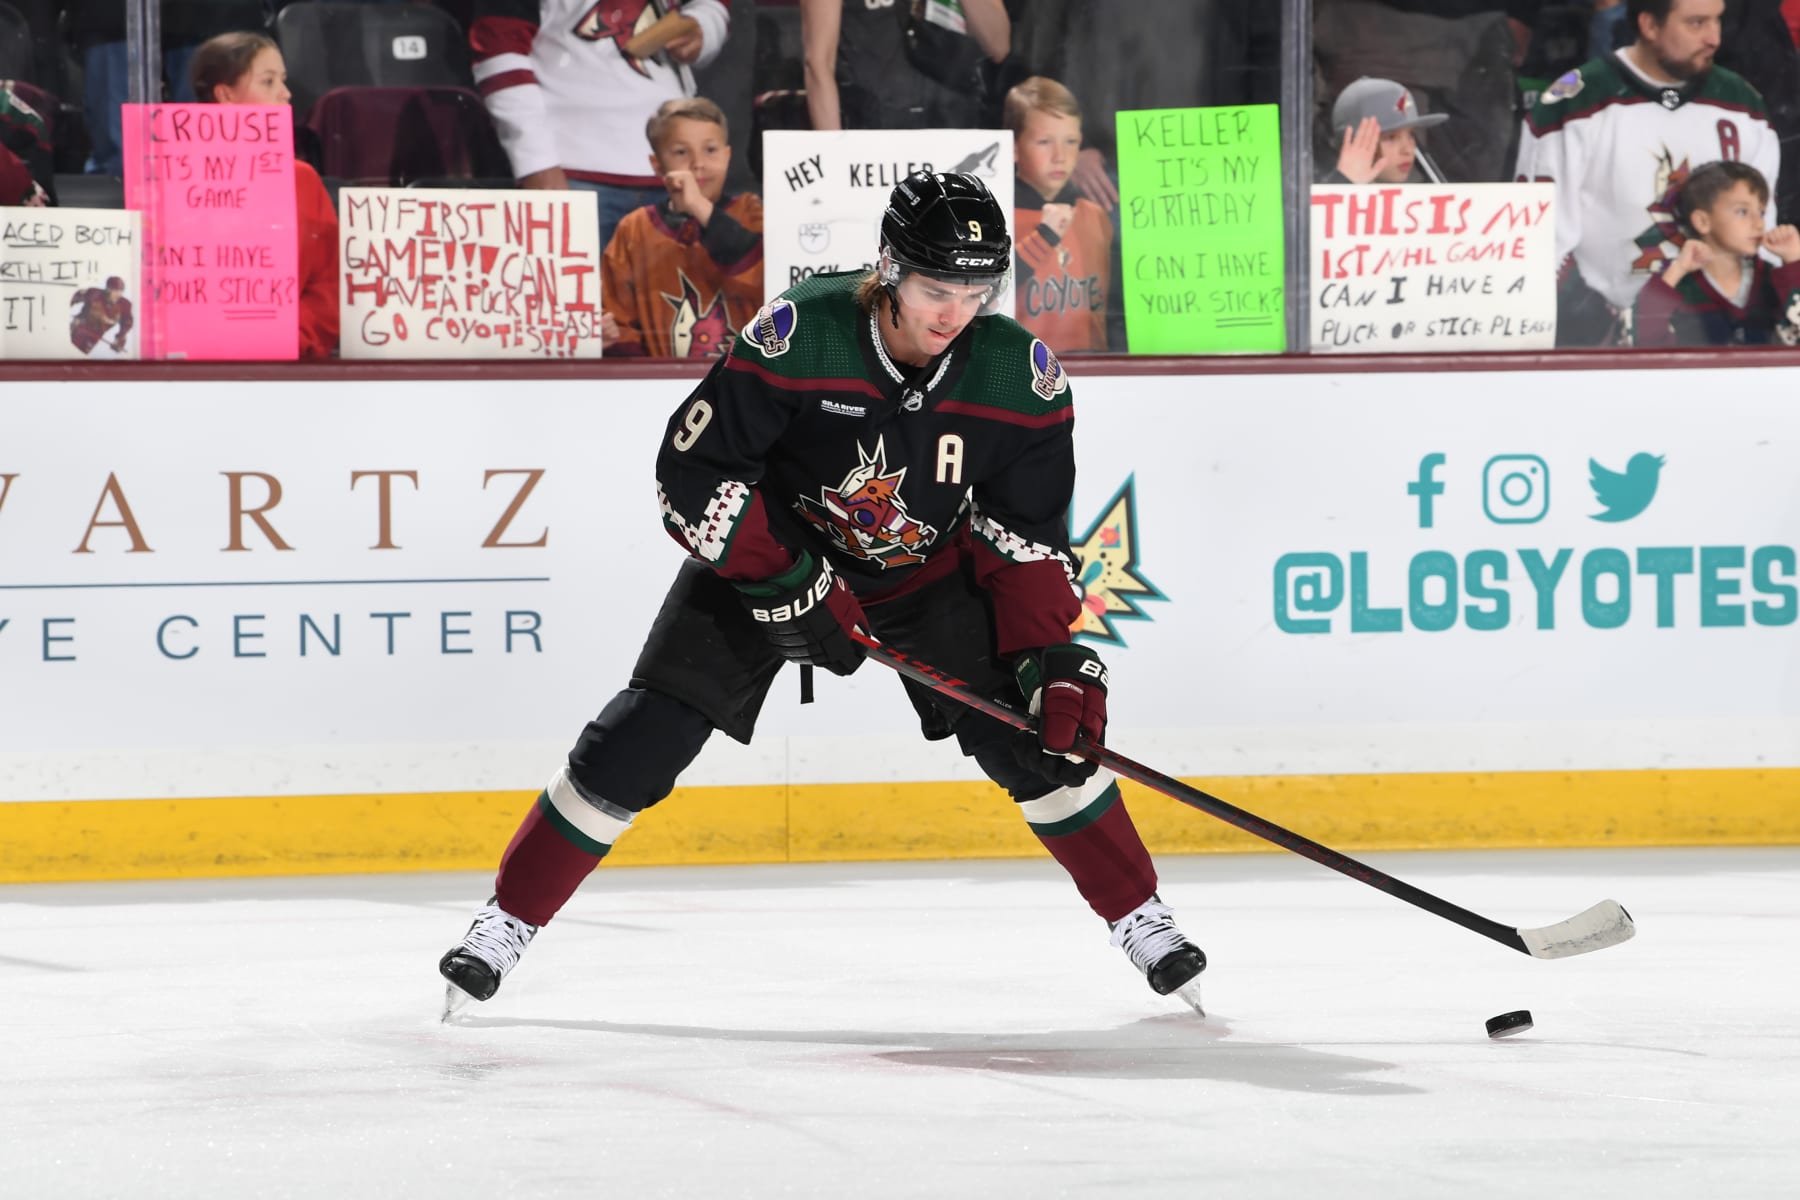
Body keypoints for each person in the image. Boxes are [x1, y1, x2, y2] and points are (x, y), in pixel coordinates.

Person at [439, 171, 1207, 1017]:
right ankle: (504, 922)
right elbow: (692, 477)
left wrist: (1050, 656)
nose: (953, 312)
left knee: (1043, 742)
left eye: (974, 291)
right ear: (889, 269)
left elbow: (1022, 537)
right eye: (932, 288)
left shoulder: (1017, 378)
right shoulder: (800, 335)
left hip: (922, 575)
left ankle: (1142, 917)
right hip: (773, 555)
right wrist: (785, 580)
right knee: (642, 735)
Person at [1515, 0, 1780, 344]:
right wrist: (1593, 330)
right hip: (1606, 343)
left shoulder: (1744, 104)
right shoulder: (1573, 102)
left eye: (1717, 21)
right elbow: (1540, 245)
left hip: (1725, 338)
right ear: (1650, 25)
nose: (1714, 38)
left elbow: (1763, 236)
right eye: (1696, 23)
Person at [470, 0, 731, 252]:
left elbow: (710, 6)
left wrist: (703, 26)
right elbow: (498, 46)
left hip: (677, 173)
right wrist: (536, 165)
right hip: (574, 173)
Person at [190, 33, 340, 361]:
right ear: (225, 94)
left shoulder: (302, 179)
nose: (286, 93)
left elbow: (328, 285)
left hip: (289, 363)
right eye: (268, 82)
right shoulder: (179, 181)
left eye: (283, 81)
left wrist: (291, 337)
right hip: (195, 365)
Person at [601, 97, 763, 358]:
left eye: (710, 150)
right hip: (662, 386)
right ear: (657, 165)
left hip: (743, 380)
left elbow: (761, 278)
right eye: (680, 152)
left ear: (728, 155)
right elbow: (618, 319)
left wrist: (700, 208)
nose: (697, 163)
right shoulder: (634, 230)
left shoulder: (752, 212)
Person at [1633, 161, 1800, 345]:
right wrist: (1678, 269)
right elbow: (1645, 341)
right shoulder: (1680, 284)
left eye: (1761, 212)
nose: (1758, 223)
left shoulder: (1774, 279)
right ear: (1703, 221)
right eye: (1742, 211)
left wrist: (1794, 261)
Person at [1006, 76, 1115, 353]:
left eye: (1070, 141)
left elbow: (1109, 310)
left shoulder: (1095, 216)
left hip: (1096, 374)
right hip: (1024, 374)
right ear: (1015, 148)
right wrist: (1044, 237)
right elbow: (988, 295)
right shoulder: (999, 217)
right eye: (1044, 142)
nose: (1060, 156)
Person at [800, 0, 1009, 131]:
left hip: (952, 124)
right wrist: (834, 152)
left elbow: (998, 46)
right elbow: (818, 65)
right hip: (874, 130)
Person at [1323, 77, 1449, 185]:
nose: (1408, 150)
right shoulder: (1308, 202)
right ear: (1351, 144)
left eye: (1411, 134)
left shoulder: (1421, 203)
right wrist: (1344, 183)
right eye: (1391, 137)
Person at [69, 277, 133, 356]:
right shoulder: (94, 293)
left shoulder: (125, 305)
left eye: (120, 291)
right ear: (108, 290)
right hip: (78, 328)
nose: (118, 294)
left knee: (78, 355)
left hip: (94, 336)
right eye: (115, 291)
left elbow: (127, 324)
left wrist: (119, 340)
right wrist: (61, 313)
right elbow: (72, 298)